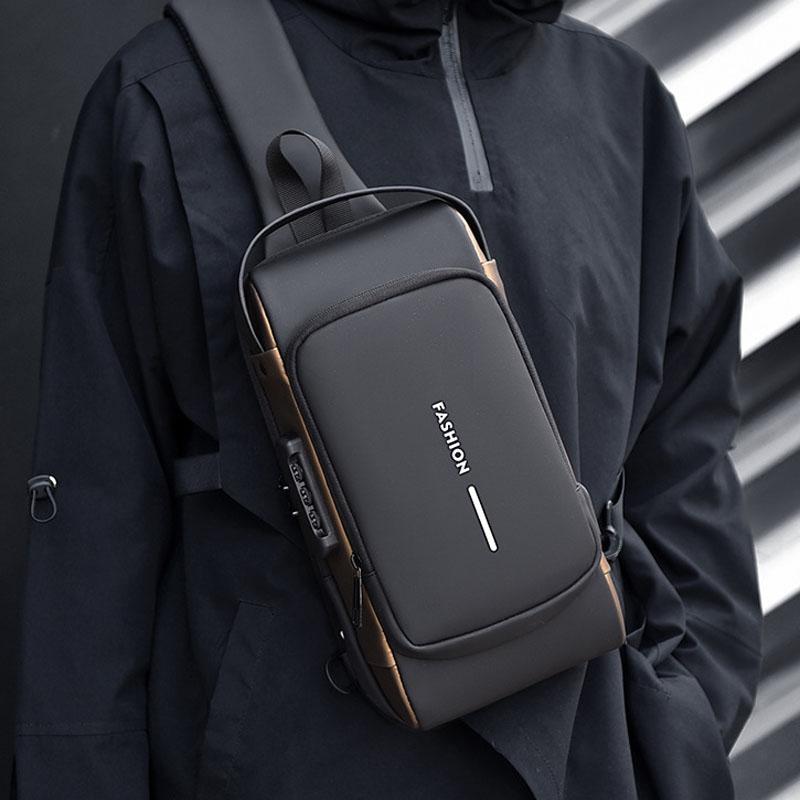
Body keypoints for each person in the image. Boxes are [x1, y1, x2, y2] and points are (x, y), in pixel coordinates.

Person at [15, 1, 762, 798]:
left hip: (593, 765)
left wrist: (678, 725)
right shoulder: (168, 98)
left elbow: (686, 444)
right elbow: (94, 525)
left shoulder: (619, 98)